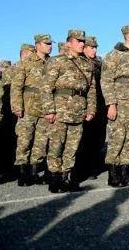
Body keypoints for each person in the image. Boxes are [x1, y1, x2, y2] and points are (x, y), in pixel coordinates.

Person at [41, 29, 96, 193]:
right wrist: (49, 110)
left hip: (78, 111)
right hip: (59, 110)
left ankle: (67, 177)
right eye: (78, 41)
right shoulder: (57, 61)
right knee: (56, 146)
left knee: (72, 147)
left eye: (83, 41)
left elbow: (91, 89)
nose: (81, 44)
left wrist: (91, 109)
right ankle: (55, 177)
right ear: (69, 43)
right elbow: (46, 87)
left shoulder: (87, 64)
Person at [102, 25, 129, 187]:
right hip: (120, 102)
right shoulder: (114, 55)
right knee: (117, 137)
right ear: (128, 36)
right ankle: (113, 172)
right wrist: (111, 104)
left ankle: (125, 170)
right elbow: (106, 80)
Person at [11, 33, 54, 186]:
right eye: (46, 43)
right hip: (28, 107)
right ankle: (23, 173)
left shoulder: (51, 63)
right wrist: (17, 106)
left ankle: (34, 172)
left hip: (45, 108)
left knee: (41, 142)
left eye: (50, 44)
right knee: (24, 140)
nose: (50, 46)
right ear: (37, 45)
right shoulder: (25, 63)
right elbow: (16, 86)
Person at [77, 36, 107, 180]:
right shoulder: (80, 62)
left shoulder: (99, 63)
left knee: (99, 136)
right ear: (84, 48)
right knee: (84, 138)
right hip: (87, 105)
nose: (94, 50)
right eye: (91, 47)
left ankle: (95, 164)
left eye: (95, 47)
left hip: (100, 104)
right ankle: (83, 167)